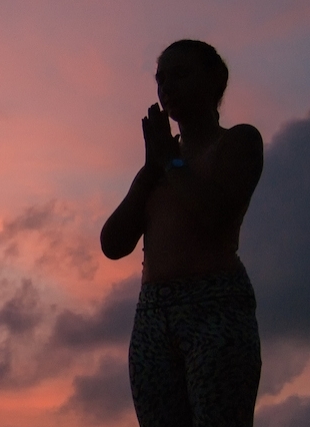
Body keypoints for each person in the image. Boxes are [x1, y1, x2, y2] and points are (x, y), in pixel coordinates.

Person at [100, 39, 264, 427]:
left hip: (216, 304)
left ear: (216, 80)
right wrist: (149, 171)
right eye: (160, 80)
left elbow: (212, 213)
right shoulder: (161, 163)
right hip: (153, 312)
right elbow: (113, 244)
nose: (166, 89)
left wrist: (169, 161)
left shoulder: (237, 141)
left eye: (180, 75)